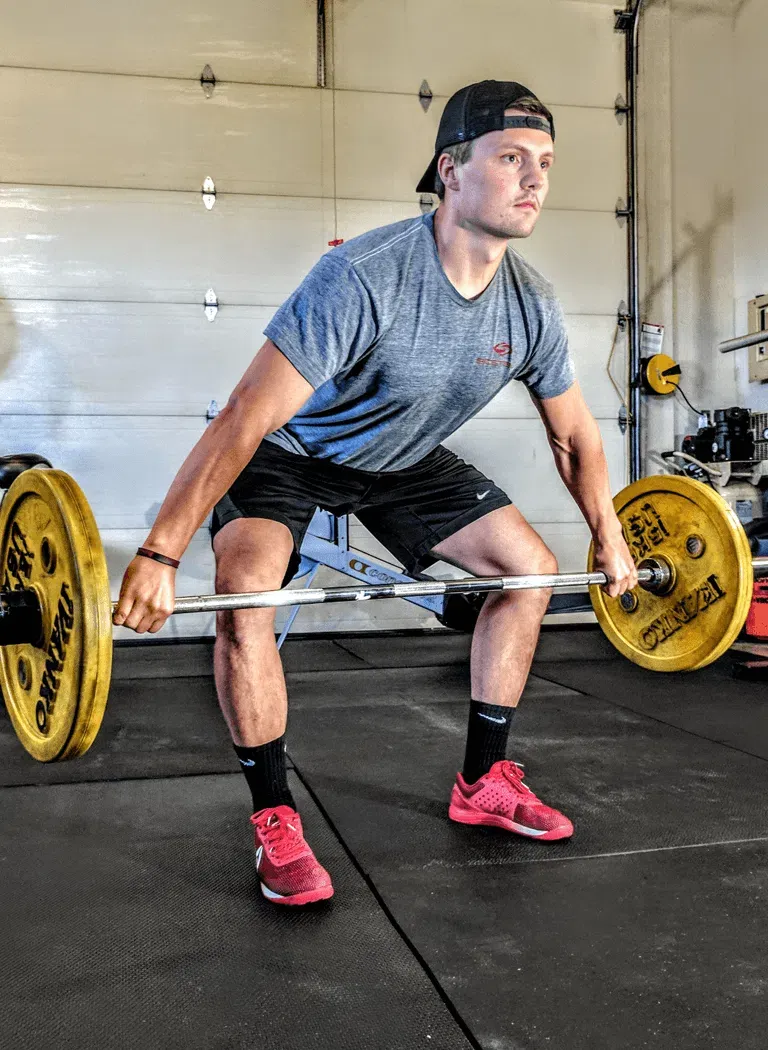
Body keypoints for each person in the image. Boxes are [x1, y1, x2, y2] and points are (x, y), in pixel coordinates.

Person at [114, 80, 637, 906]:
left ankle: (482, 781)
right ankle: (276, 819)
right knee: (246, 596)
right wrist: (159, 553)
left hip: (405, 460)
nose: (534, 179)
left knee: (529, 575)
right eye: (510, 159)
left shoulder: (531, 301)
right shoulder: (363, 277)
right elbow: (246, 420)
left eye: (544, 163)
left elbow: (574, 435)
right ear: (451, 171)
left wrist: (607, 534)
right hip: (289, 455)